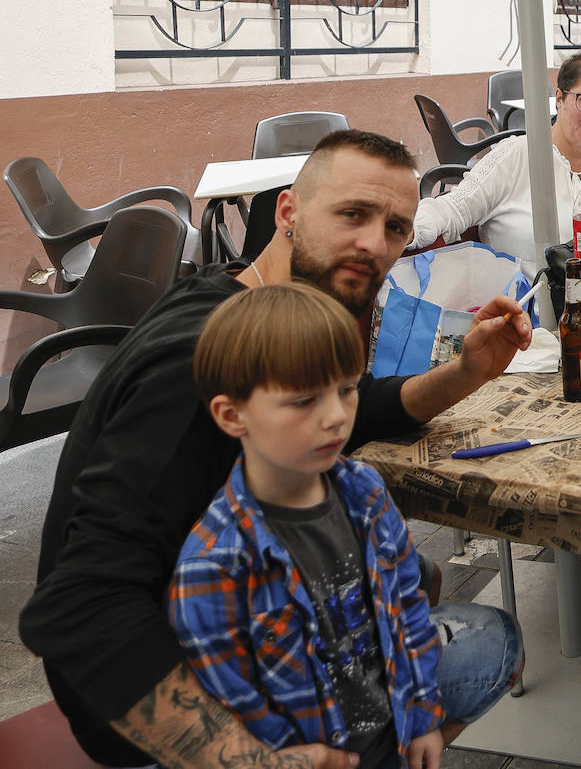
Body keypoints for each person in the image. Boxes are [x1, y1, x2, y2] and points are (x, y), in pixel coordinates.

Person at [20, 129, 533, 768]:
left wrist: (467, 370)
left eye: (397, 228)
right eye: (352, 214)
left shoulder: (247, 305)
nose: (374, 244)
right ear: (288, 212)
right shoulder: (194, 363)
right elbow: (82, 608)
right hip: (167, 693)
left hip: (264, 621)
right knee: (490, 639)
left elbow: (354, 408)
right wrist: (253, 762)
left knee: (420, 586)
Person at [170, 283, 522, 767]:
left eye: (347, 389)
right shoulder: (213, 569)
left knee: (501, 641)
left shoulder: (364, 493)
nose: (336, 417)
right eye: (303, 401)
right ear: (233, 415)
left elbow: (406, 613)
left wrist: (420, 718)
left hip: (384, 729)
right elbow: (233, 706)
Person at [410, 48, 581, 267]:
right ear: (560, 99)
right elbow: (454, 209)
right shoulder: (517, 155)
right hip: (521, 318)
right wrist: (404, 228)